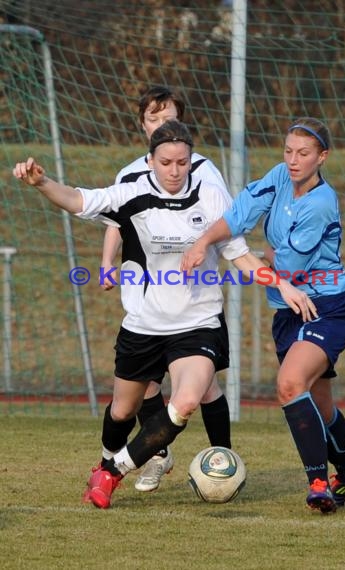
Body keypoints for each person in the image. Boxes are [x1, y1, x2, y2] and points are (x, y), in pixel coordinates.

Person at [13, 120, 317, 509]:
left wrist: (282, 285)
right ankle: (106, 462)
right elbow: (78, 200)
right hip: (144, 324)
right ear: (151, 160)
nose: (175, 171)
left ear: (191, 161)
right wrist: (42, 183)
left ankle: (112, 474)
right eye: (166, 162)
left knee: (186, 401)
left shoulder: (210, 197)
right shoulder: (132, 191)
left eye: (182, 162)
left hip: (197, 324)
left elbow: (240, 256)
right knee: (123, 410)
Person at [181, 117, 345, 513]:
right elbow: (237, 216)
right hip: (289, 312)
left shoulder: (321, 203)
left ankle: (318, 482)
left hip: (328, 308)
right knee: (318, 404)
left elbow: (285, 267)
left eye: (303, 153)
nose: (292, 160)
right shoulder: (279, 176)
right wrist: (204, 241)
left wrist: (252, 254)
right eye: (288, 151)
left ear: (322, 157)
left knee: (288, 384)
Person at [101, 86, 236, 493]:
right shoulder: (129, 174)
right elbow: (114, 219)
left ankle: (224, 461)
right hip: (146, 300)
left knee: (203, 386)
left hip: (194, 301)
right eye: (154, 119)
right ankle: (156, 456)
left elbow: (223, 223)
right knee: (145, 388)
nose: (162, 125)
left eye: (170, 117)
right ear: (142, 125)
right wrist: (107, 262)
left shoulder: (204, 171)